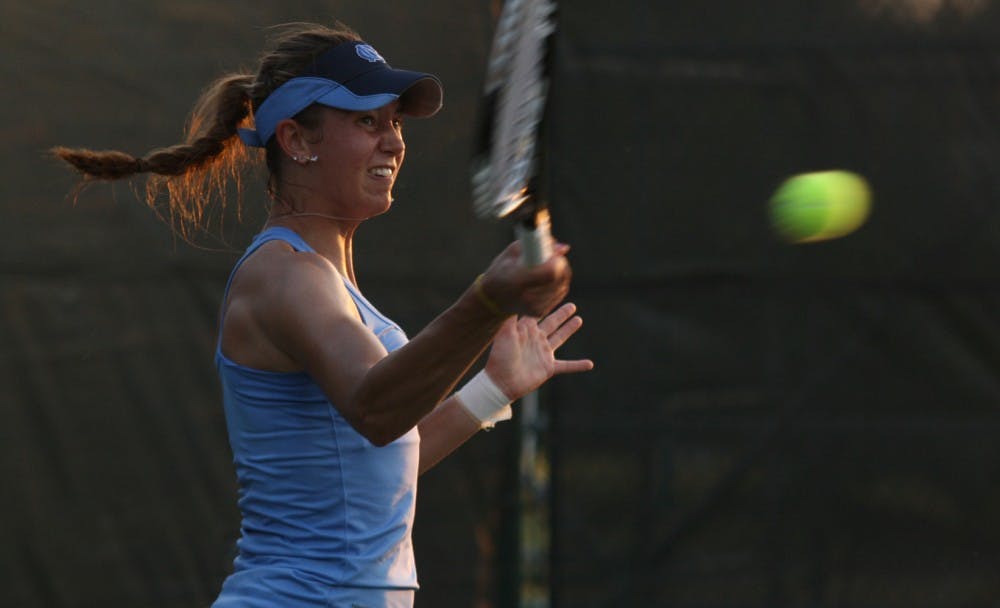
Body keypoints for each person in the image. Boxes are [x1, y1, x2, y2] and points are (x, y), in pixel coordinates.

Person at [52, 21, 592, 608]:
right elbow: (375, 407)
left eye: (395, 122)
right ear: (296, 139)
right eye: (366, 121)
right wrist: (488, 301)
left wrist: (494, 388)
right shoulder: (286, 275)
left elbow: (380, 463)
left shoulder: (326, 282)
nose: (393, 141)